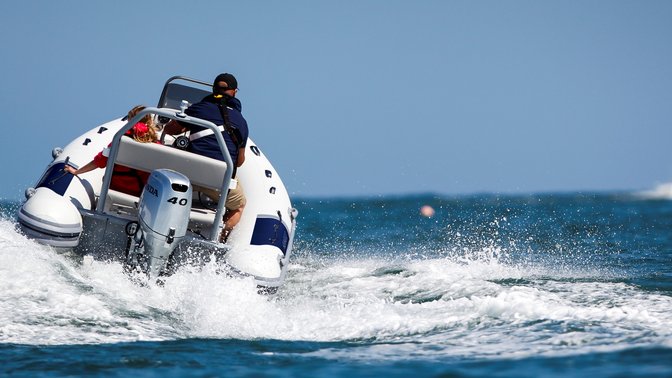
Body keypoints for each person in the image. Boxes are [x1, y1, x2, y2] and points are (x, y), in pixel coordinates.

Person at [163, 73, 249, 241]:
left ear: (213, 89)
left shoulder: (198, 108)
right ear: (234, 92)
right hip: (218, 181)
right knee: (239, 206)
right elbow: (239, 160)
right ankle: (219, 239)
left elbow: (170, 130)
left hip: (189, 176)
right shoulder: (241, 122)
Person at [65, 105, 158, 197]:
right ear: (149, 121)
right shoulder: (156, 144)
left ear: (131, 120)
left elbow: (100, 161)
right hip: (141, 194)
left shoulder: (121, 138)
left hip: (115, 188)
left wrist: (76, 172)